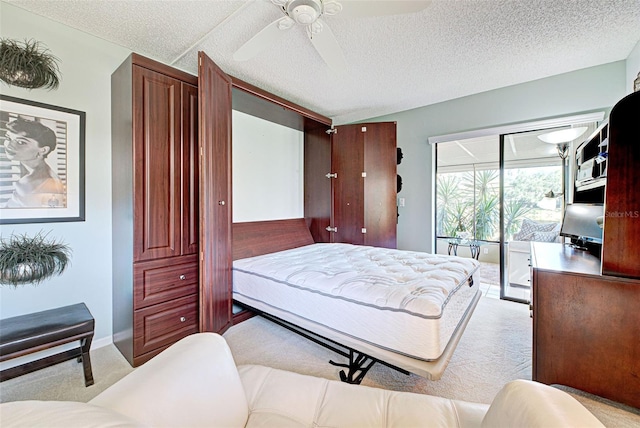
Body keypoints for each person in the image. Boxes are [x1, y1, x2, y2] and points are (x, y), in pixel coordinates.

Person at [2, 117, 65, 208]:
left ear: (43, 150)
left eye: (20, 142)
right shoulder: (50, 175)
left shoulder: (29, 183)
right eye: (8, 138)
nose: (9, 145)